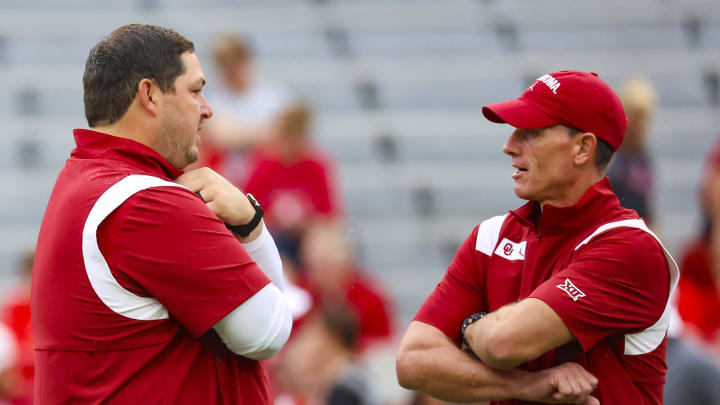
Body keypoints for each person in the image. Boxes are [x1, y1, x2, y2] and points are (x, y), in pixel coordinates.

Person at [31, 24, 292, 404]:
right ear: (150, 94)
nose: (208, 109)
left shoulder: (84, 180)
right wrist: (252, 225)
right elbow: (267, 333)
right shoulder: (148, 203)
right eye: (196, 90)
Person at [396, 71, 678, 405]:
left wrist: (469, 327)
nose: (509, 146)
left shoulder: (631, 248)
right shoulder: (490, 236)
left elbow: (505, 343)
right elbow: (412, 361)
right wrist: (525, 386)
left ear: (583, 148)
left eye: (531, 132)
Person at [607, 76, 659, 225]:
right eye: (637, 117)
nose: (641, 124)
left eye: (644, 117)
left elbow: (646, 199)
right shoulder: (612, 153)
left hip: (637, 227)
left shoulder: (643, 154)